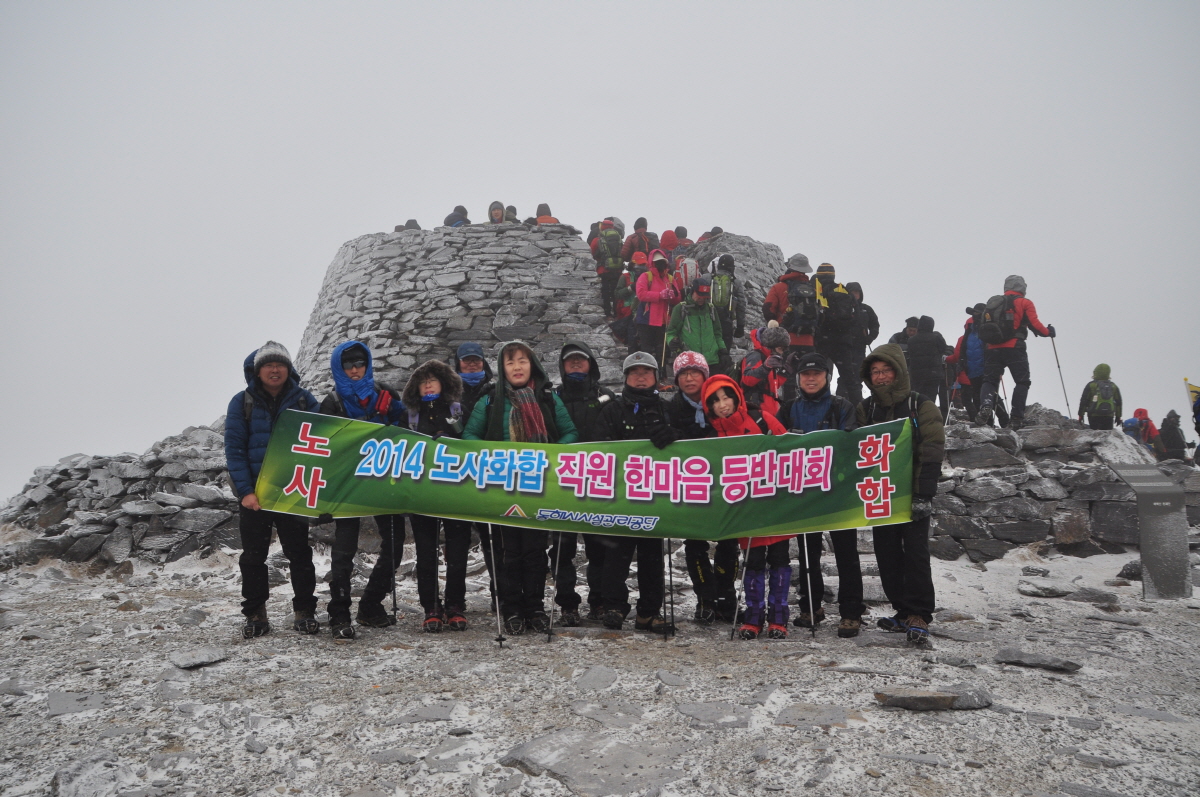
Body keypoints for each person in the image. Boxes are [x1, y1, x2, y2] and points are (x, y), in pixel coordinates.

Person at [463, 341, 579, 635]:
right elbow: (470, 436)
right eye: (510, 362)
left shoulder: (548, 398)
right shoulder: (490, 400)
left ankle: (535, 608)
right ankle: (512, 608)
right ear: (502, 368)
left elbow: (569, 433)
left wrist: (550, 454)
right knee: (508, 551)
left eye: (522, 361)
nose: (517, 367)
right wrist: (498, 455)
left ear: (533, 365)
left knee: (536, 550)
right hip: (502, 485)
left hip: (538, 484)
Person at [224, 341, 320, 639]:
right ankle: (255, 613)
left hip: (293, 491)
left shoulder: (305, 401)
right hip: (255, 494)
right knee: (253, 556)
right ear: (257, 370)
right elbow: (235, 450)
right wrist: (245, 492)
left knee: (300, 554)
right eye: (268, 365)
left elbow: (322, 445)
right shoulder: (242, 402)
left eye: (280, 364)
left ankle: (305, 611)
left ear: (289, 369)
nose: (274, 369)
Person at [318, 341, 408, 639]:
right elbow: (326, 442)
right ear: (340, 369)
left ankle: (370, 604)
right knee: (344, 550)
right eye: (349, 366)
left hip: (384, 480)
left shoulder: (385, 394)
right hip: (348, 484)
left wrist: (393, 416)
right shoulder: (333, 402)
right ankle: (339, 613)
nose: (355, 370)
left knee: (394, 545)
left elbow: (405, 431)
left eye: (359, 364)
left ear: (367, 364)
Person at [856, 344, 945, 645]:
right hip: (881, 495)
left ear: (899, 372)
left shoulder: (921, 406)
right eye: (875, 372)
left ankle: (919, 613)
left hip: (912, 493)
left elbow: (931, 452)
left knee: (916, 553)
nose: (880, 377)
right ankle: (902, 611)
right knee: (887, 553)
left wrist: (923, 495)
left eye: (886, 371)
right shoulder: (865, 409)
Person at [776, 352, 864, 637]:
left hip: (838, 494)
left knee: (846, 555)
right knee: (806, 554)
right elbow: (773, 447)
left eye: (816, 373)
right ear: (798, 379)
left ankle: (851, 613)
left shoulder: (843, 406)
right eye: (804, 374)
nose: (810, 378)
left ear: (827, 377)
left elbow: (851, 446)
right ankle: (811, 606)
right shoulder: (788, 408)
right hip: (802, 494)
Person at [591, 352, 680, 633]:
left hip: (655, 497)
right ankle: (614, 607)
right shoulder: (613, 409)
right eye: (634, 372)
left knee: (652, 558)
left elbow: (688, 444)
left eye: (646, 371)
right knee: (615, 557)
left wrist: (673, 436)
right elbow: (599, 447)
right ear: (626, 377)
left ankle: (649, 613)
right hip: (620, 497)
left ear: (656, 377)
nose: (640, 377)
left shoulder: (668, 409)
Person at [698, 375, 789, 639]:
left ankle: (779, 618)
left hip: (775, 505)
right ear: (709, 407)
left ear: (737, 396)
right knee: (753, 563)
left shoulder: (761, 419)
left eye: (726, 397)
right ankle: (753, 617)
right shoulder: (712, 435)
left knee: (780, 560)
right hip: (744, 511)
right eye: (715, 401)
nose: (723, 404)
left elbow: (788, 450)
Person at [402, 359, 473, 632]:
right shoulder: (409, 416)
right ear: (416, 388)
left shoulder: (458, 411)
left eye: (433, 379)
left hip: (457, 492)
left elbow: (474, 443)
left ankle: (455, 605)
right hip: (422, 494)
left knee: (457, 552)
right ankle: (431, 606)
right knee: (425, 553)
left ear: (444, 383)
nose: (428, 384)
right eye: (422, 380)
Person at [667, 352, 738, 624]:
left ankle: (726, 597)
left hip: (724, 484)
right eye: (683, 373)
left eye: (695, 372)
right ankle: (705, 599)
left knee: (729, 541)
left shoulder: (720, 402)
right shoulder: (670, 408)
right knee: (694, 543)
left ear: (705, 375)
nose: (689, 378)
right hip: (690, 486)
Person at [552, 340, 616, 625]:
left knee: (599, 549)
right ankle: (567, 604)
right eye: (570, 361)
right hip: (561, 486)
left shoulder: (608, 397)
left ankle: (599, 601)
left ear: (592, 364)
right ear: (562, 367)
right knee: (562, 551)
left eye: (581, 360)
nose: (576, 364)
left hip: (598, 485)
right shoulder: (551, 398)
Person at [452, 341, 503, 605]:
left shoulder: (496, 391)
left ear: (484, 363)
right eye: (466, 361)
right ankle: (456, 601)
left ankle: (500, 594)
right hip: (459, 475)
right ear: (457, 363)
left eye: (476, 360)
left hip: (491, 474)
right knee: (458, 544)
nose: (472, 365)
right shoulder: (449, 393)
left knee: (494, 541)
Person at [976, 275, 1055, 430]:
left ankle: (985, 405)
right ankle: (1016, 417)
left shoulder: (994, 302)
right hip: (1014, 348)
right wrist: (1048, 332)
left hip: (993, 348)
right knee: (1022, 381)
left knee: (989, 381)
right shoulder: (1024, 302)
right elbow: (1035, 324)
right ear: (1022, 288)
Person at [812, 263, 863, 403]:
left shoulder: (817, 290)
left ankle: (819, 406)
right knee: (850, 378)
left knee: (817, 375)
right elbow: (857, 318)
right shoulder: (844, 291)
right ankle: (860, 411)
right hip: (843, 343)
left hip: (823, 341)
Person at [665, 276, 730, 377]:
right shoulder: (681, 309)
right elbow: (671, 332)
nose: (701, 299)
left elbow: (717, 333)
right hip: (691, 361)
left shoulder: (711, 309)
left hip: (712, 361)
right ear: (692, 291)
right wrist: (672, 341)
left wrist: (723, 350)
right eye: (699, 295)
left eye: (704, 296)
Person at [762, 254, 817, 356]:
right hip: (809, 342)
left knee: (785, 370)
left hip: (785, 342)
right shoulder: (813, 290)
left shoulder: (779, 287)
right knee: (804, 371)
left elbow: (768, 310)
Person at [740, 322, 791, 425]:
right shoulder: (756, 356)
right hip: (758, 413)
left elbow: (771, 386)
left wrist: (786, 371)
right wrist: (765, 368)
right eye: (780, 349)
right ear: (771, 346)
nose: (782, 352)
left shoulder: (769, 359)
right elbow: (746, 379)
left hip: (770, 411)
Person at [634, 250, 678, 362]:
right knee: (646, 350)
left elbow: (677, 298)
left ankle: (662, 374)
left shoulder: (670, 278)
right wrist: (660, 295)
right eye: (657, 262)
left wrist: (674, 296)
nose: (660, 264)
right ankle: (648, 373)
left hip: (663, 320)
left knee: (662, 350)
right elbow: (641, 294)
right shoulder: (645, 276)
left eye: (662, 261)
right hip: (646, 319)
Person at [946, 306, 987, 422]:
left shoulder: (962, 339)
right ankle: (988, 420)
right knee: (982, 397)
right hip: (982, 373)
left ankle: (975, 418)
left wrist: (946, 359)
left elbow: (957, 356)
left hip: (965, 375)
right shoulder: (986, 335)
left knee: (967, 400)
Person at [905, 316, 950, 420]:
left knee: (918, 397)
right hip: (933, 374)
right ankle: (928, 418)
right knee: (930, 398)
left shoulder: (912, 340)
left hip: (917, 375)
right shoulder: (936, 337)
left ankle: (917, 418)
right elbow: (943, 349)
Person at [844, 282, 878, 401]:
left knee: (858, 374)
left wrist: (870, 337)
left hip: (859, 347)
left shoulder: (866, 309)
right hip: (844, 347)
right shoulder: (841, 307)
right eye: (852, 292)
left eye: (857, 292)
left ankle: (856, 402)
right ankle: (842, 400)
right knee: (844, 376)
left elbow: (875, 326)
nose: (854, 295)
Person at [613, 250, 648, 350]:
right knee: (632, 341)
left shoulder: (648, 277)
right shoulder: (625, 277)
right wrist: (630, 288)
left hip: (645, 314)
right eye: (639, 264)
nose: (640, 267)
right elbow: (617, 294)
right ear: (633, 264)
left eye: (643, 264)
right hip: (628, 314)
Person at [591, 217, 625, 318]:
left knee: (605, 290)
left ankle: (607, 312)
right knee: (615, 291)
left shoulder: (597, 240)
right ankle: (616, 311)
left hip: (603, 269)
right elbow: (623, 252)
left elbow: (592, 253)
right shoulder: (619, 239)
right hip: (617, 269)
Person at [711, 254, 747, 349]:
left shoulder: (708, 278)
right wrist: (740, 326)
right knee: (724, 349)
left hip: (709, 319)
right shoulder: (735, 282)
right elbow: (741, 305)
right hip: (726, 320)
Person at [1076, 364, 1123, 430]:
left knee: (1095, 434)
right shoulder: (1113, 386)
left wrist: (1081, 414)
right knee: (1107, 435)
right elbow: (1118, 402)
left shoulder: (1091, 385)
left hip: (1093, 415)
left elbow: (1084, 400)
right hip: (1108, 415)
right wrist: (1118, 417)